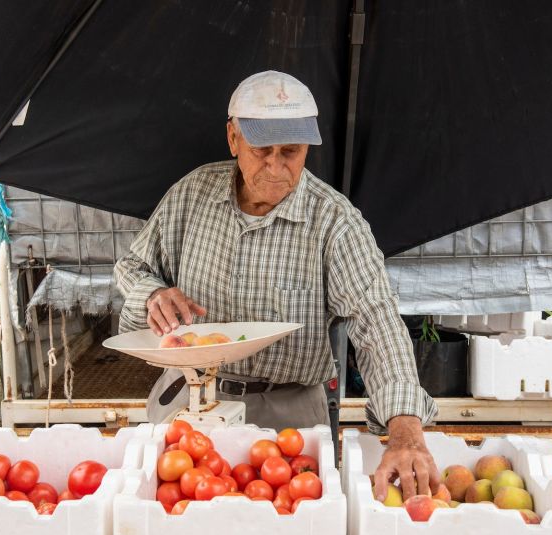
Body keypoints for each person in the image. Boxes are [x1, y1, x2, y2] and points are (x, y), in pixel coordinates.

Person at [114, 70, 440, 501]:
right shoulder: (193, 194)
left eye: (291, 151)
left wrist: (405, 430)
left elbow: (375, 319)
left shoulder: (335, 223)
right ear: (233, 139)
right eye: (261, 149)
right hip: (186, 402)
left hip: (288, 420)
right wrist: (154, 294)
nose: (275, 165)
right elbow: (133, 265)